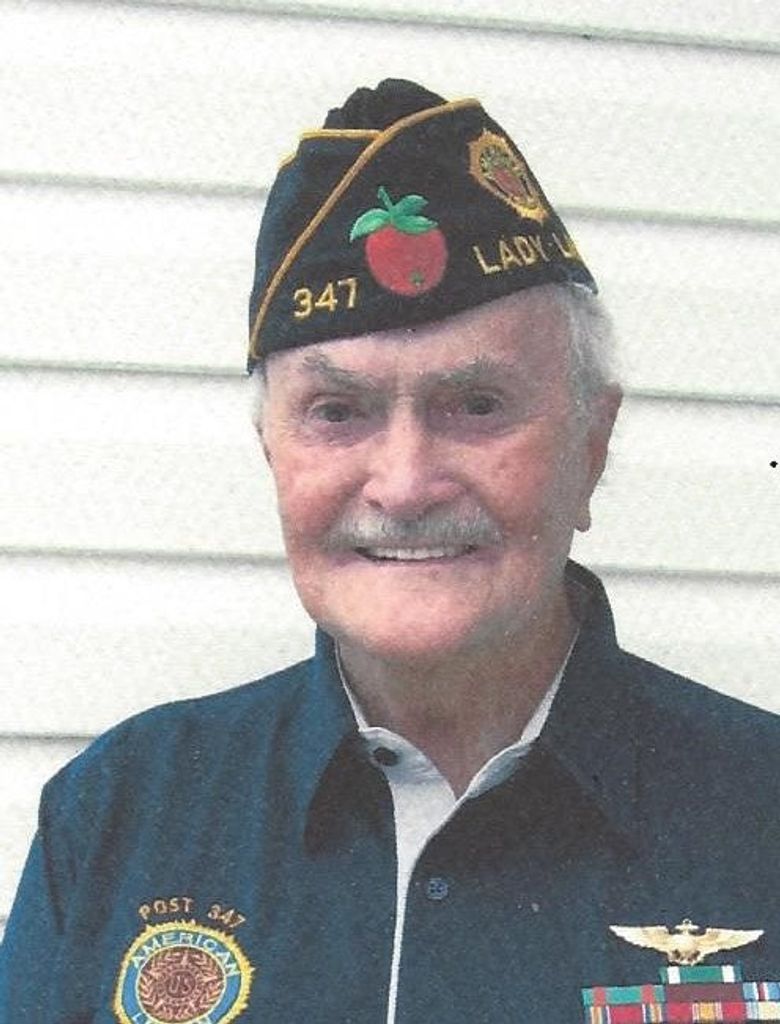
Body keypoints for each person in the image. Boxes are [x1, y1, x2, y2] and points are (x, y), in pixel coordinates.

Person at [2, 79, 779, 1024]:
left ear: (592, 444)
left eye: (477, 406)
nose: (405, 485)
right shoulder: (121, 815)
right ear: (273, 452)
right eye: (338, 412)